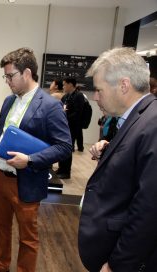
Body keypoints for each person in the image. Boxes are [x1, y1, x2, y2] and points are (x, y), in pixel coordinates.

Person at [0, 47, 72, 272]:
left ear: (27, 73)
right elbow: (5, 133)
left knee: (28, 237)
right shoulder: (9, 101)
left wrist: (30, 159)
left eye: (10, 76)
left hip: (26, 179)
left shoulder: (50, 106)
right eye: (5, 76)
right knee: (0, 226)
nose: (7, 81)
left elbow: (64, 146)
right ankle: (0, 266)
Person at [79, 47, 157, 272]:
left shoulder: (151, 125)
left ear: (123, 85)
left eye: (99, 90)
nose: (95, 97)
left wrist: (118, 264)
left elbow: (148, 210)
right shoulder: (138, 118)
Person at [56, 77, 85, 179]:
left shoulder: (79, 96)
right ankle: (61, 168)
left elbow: (78, 113)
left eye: (64, 84)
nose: (63, 86)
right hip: (64, 126)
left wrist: (65, 117)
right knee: (61, 147)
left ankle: (66, 171)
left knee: (68, 148)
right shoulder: (66, 97)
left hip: (72, 127)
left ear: (71, 85)